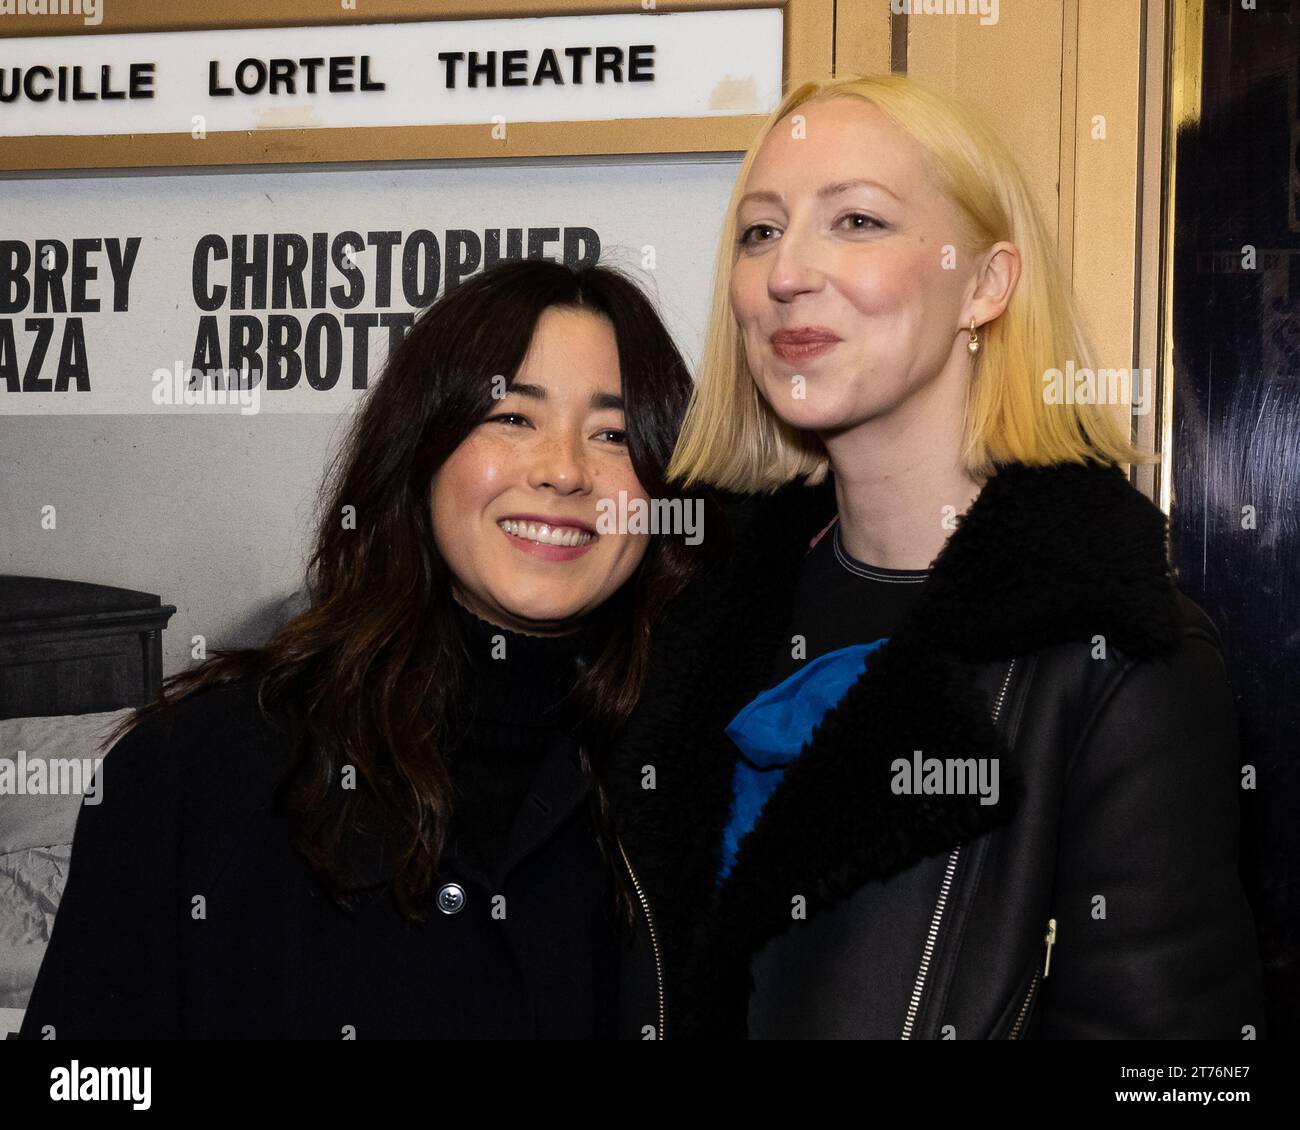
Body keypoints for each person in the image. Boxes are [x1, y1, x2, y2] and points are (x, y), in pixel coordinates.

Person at [604, 73, 1269, 1039]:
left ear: (986, 285)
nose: (788, 270)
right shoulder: (691, 613)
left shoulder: (1117, 661)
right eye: (759, 230)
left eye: (857, 222)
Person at [19, 258, 706, 1040]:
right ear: (421, 453)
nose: (563, 471)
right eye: (513, 418)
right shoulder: (195, 769)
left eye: (613, 434)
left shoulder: (698, 785)